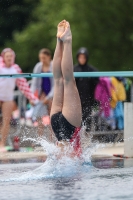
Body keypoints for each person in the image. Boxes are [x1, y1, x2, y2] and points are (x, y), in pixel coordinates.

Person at [50, 20, 82, 158]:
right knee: (58, 80)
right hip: (56, 128)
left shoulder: (73, 160)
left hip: (70, 128)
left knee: (68, 81)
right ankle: (59, 40)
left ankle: (66, 40)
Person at [0, 48, 39, 150]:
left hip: (8, 98)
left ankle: (2, 144)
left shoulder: (15, 69)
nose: (9, 58)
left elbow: (24, 85)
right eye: (7, 56)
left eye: (11, 56)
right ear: (3, 57)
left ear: (13, 57)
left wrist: (32, 98)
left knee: (6, 121)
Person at [74, 47, 99, 131]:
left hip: (88, 99)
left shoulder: (92, 70)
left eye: (84, 57)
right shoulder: (74, 69)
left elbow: (97, 83)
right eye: (80, 57)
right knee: (76, 121)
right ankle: (76, 140)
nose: (82, 59)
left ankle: (86, 141)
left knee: (87, 120)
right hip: (76, 99)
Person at [31, 48, 54, 135]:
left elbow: (55, 85)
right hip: (42, 93)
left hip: (52, 94)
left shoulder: (53, 66)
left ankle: (52, 137)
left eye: (44, 58)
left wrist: (49, 97)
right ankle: (40, 138)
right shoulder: (38, 66)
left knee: (52, 116)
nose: (42, 60)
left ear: (49, 57)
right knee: (39, 117)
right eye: (41, 58)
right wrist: (32, 97)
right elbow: (34, 83)